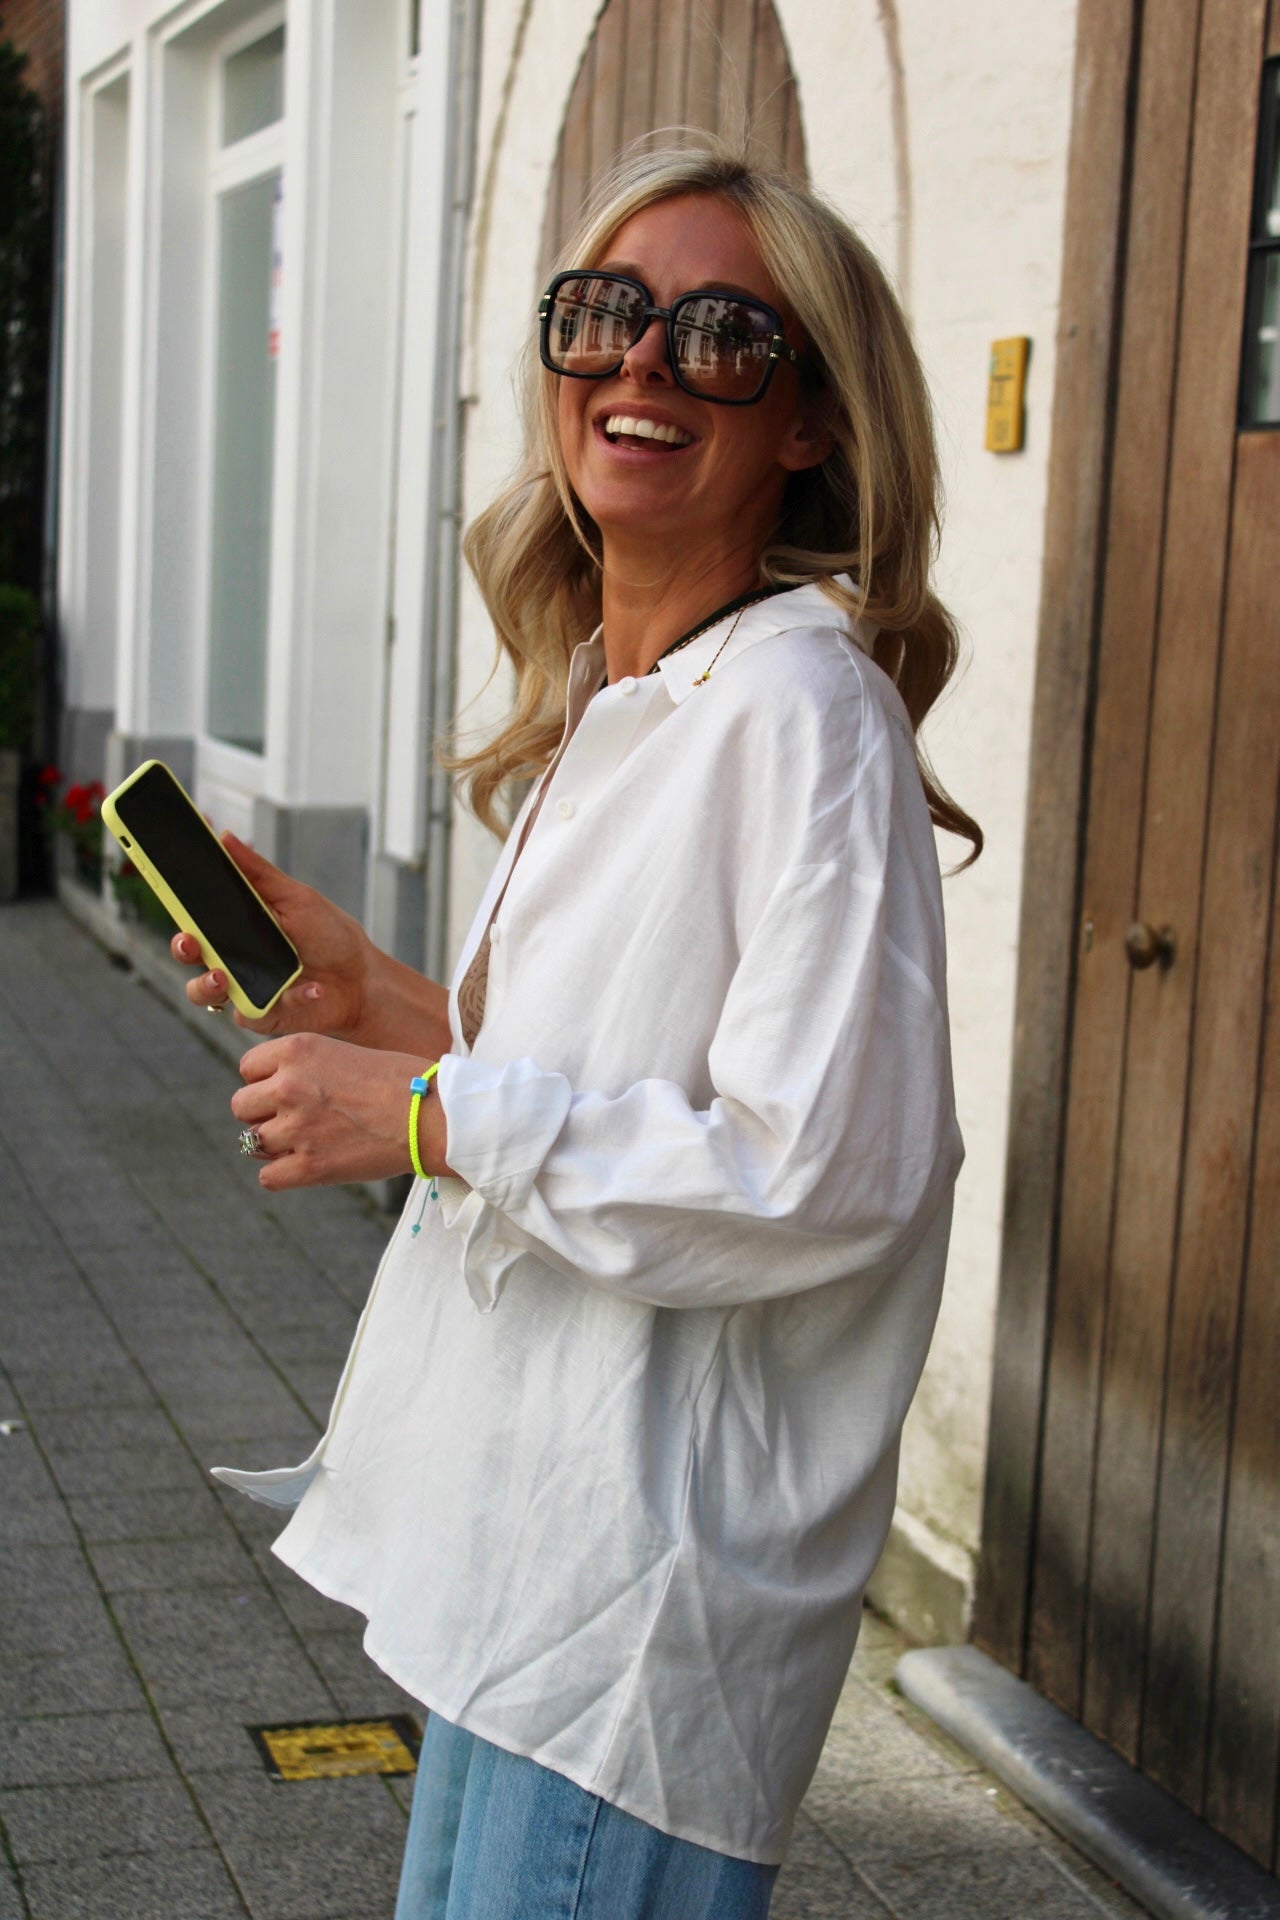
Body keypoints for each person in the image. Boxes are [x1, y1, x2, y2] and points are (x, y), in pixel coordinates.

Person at [172, 141, 980, 1920]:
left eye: (720, 338)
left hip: (640, 1614)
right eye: (606, 316)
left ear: (812, 423)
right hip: (521, 1553)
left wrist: (429, 1118)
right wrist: (378, 1001)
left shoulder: (802, 711)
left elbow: (826, 1168)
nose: (642, 364)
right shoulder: (632, 702)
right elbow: (598, 1072)